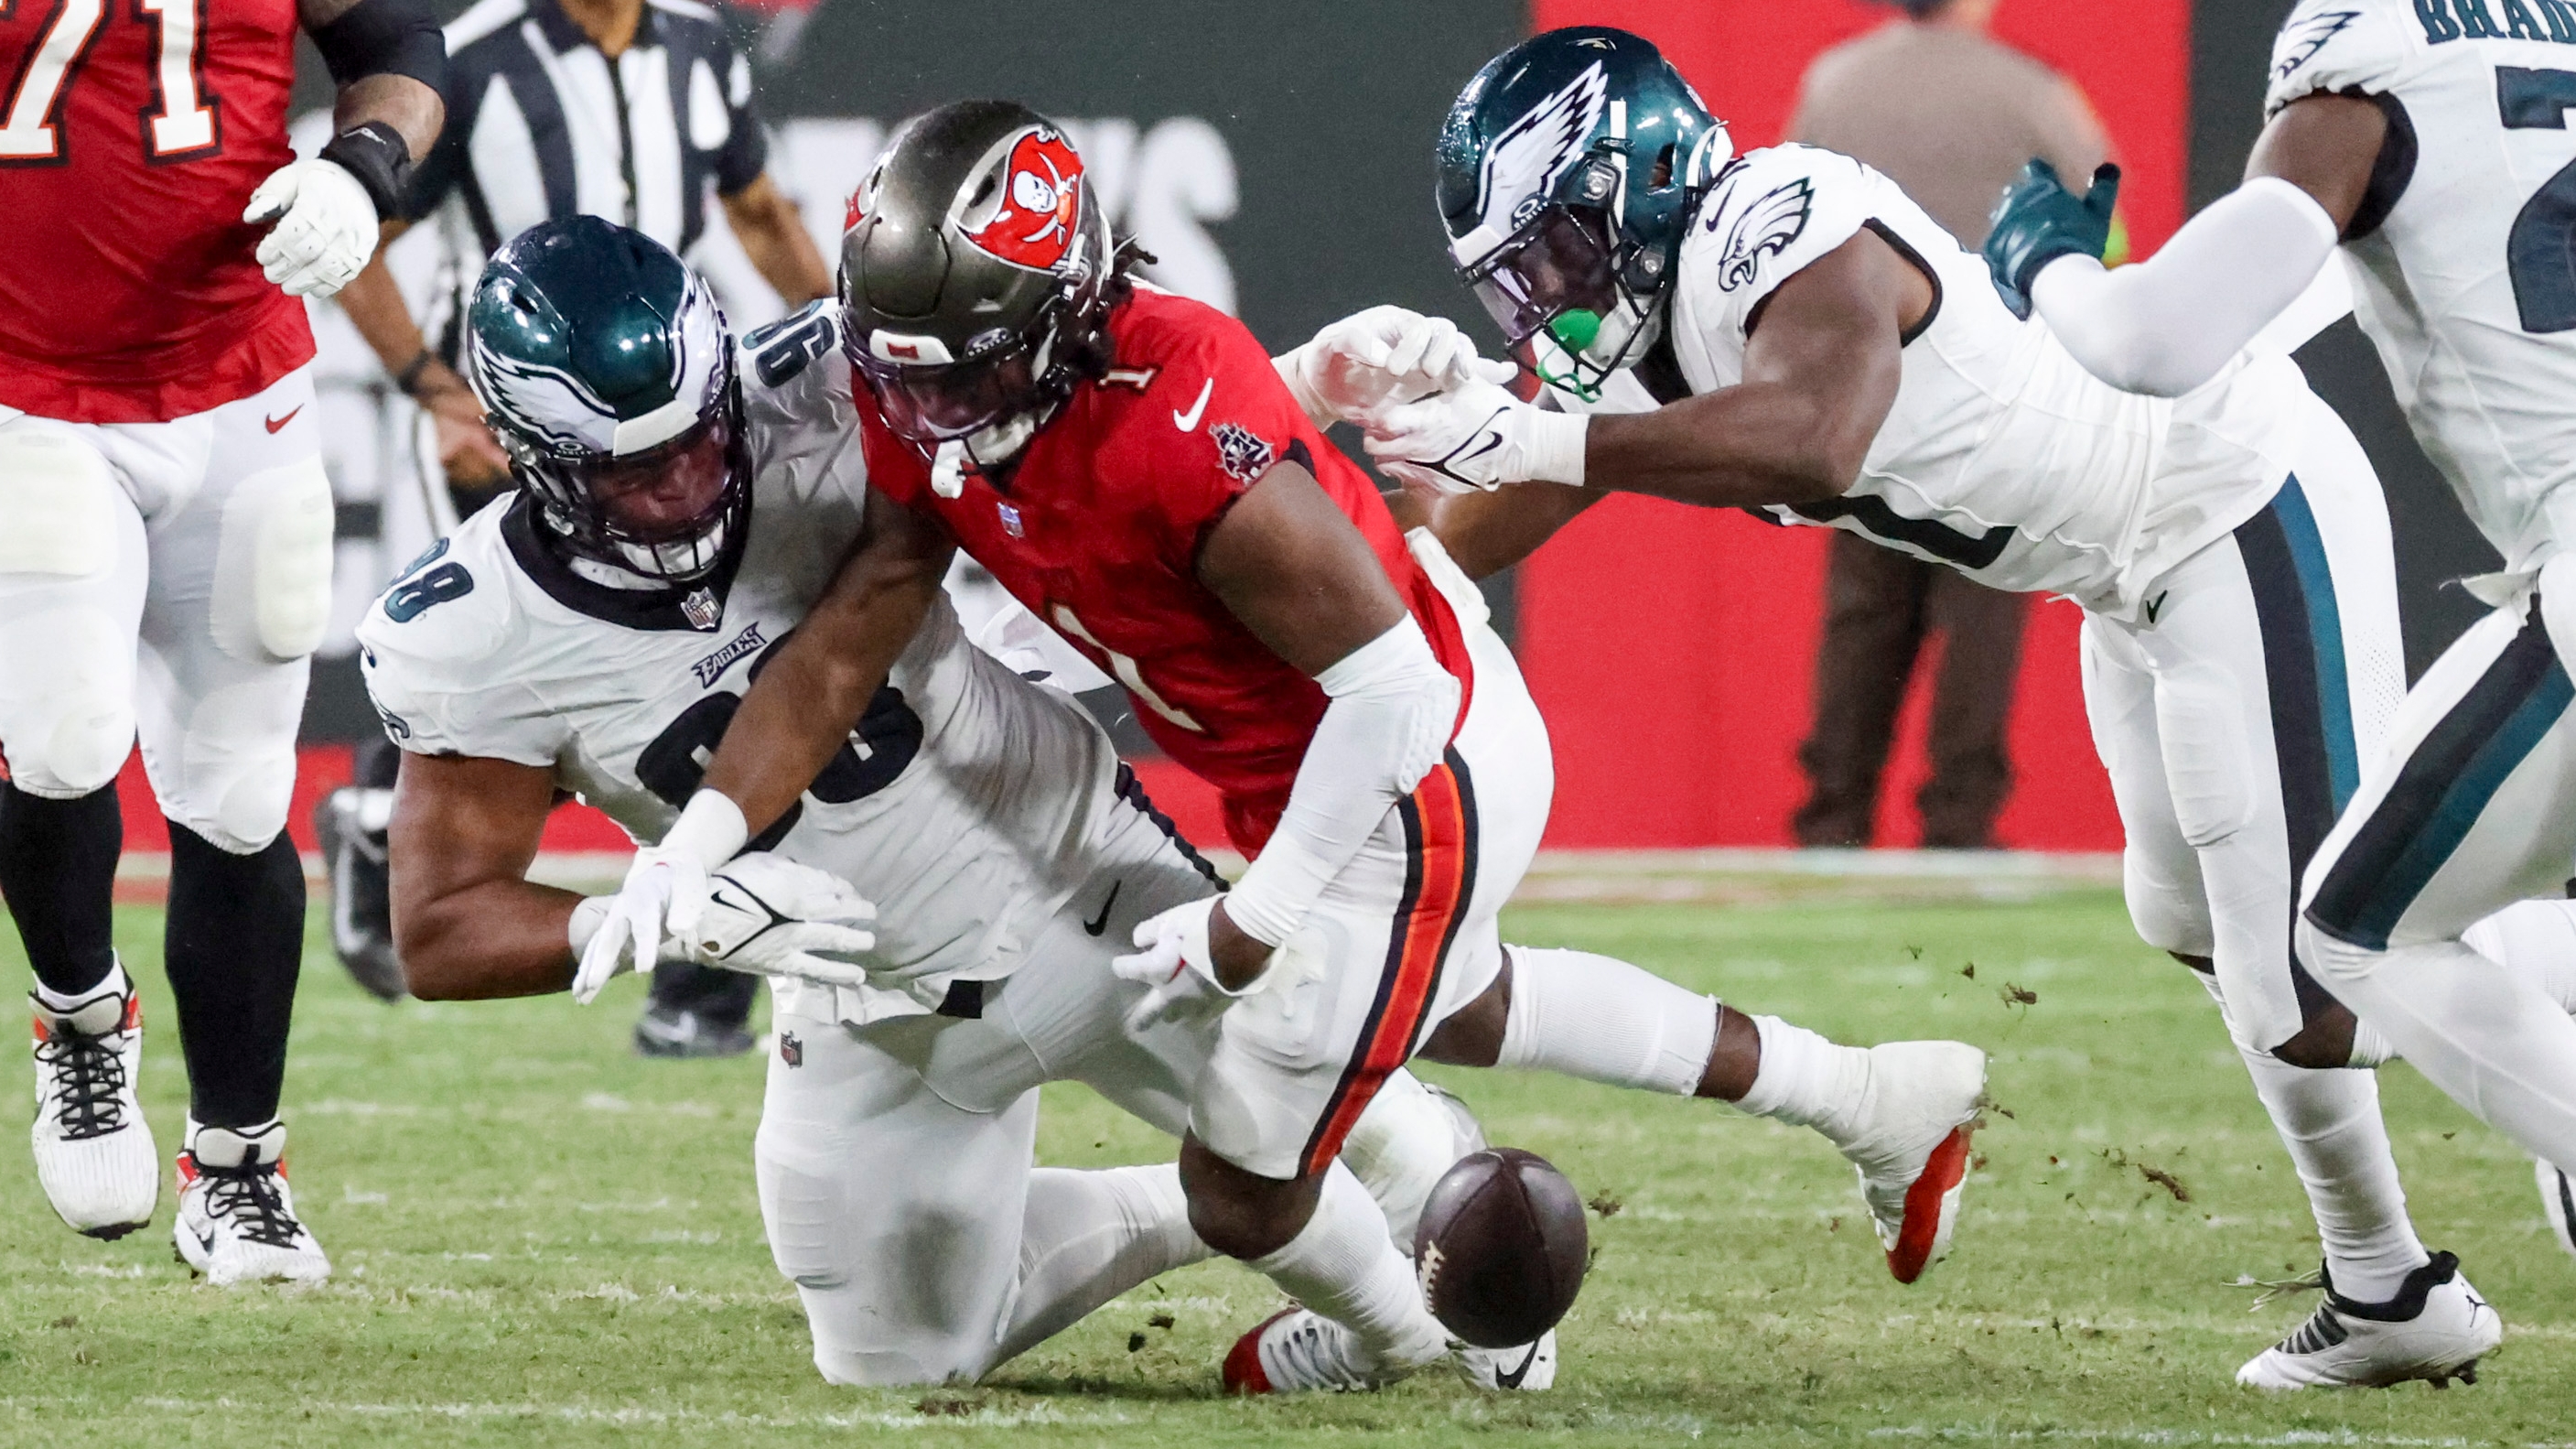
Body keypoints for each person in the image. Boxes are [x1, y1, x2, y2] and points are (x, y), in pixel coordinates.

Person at [575, 101, 1992, 1395]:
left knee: (1243, 1184)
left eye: (970, 373)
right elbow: (859, 615)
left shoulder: (1172, 411)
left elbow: (1386, 695)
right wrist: (693, 846)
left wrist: (1258, 916)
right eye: (909, 378)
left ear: (1065, 314)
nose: (936, 415)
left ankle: (1432, 1340)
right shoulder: (940, 379)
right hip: (1320, 753)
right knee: (1460, 1003)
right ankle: (1872, 1097)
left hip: (1408, 768)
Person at [1353, 26, 2497, 1390]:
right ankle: (2388, 1286)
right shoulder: (1644, 324)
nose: (1546, 298)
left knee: (2311, 968)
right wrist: (1333, 426)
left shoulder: (1778, 221)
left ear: (1636, 178)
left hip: (2227, 496)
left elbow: (1812, 429)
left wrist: (1536, 432)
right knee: (2191, 921)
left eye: (1556, 252)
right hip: (2119, 569)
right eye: (1517, 276)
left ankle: (2489, 1065)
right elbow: (1465, 524)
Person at [359, 215, 1510, 1384]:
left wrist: (1302, 377)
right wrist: (644, 919)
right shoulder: (473, 632)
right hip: (866, 986)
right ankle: (1197, 1201)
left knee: (1367, 1149)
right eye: (638, 471)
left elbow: (1118, 435)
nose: (693, 483)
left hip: (1073, 875)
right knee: (897, 1357)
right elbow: (440, 924)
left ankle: (1414, 1327)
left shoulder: (821, 382)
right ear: (532, 457)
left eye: (703, 439)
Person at [1982, 0, 2576, 1292]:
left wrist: (2049, 268)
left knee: (2349, 935)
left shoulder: (2363, 67)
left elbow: (2154, 341)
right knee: (2485, 881)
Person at [0, 0, 445, 1284]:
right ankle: (82, 1009)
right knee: (63, 737)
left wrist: (363, 172)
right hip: (30, 389)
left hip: (241, 386)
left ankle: (238, 1167)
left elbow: (401, 49)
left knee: (243, 793)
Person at [318, 0, 832, 1059]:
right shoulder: (472, 59)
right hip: (521, 441)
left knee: (729, 665)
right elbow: (358, 237)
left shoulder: (695, 45)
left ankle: (707, 972)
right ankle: (388, 811)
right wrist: (432, 387)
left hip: (683, 422)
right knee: (523, 692)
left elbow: (762, 215)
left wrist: (860, 356)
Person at [1782, 0, 2108, 848]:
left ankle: (1832, 816)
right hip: (1998, 402)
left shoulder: (1833, 83)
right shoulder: (2034, 95)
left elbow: (1780, 232)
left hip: (1864, 395)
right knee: (1984, 611)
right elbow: (2102, 241)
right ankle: (1960, 820)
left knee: (1862, 612)